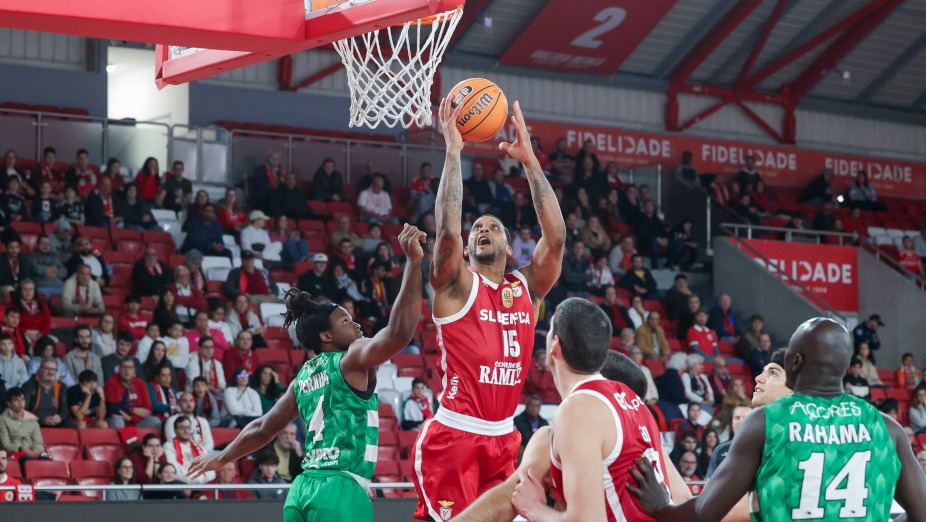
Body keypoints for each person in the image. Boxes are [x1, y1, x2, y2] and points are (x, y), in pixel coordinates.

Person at [186, 223, 426, 522]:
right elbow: (400, 333)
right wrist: (413, 262)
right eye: (345, 321)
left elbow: (263, 428)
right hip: (339, 488)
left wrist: (221, 457)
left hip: (301, 490)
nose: (355, 324)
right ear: (326, 336)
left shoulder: (303, 378)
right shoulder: (353, 356)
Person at [627, 317, 926, 522]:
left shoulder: (766, 422)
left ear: (794, 362)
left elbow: (703, 513)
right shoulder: (888, 428)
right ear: (845, 366)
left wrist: (661, 507)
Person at [507, 298, 671, 521]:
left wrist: (533, 508)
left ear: (554, 344)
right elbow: (681, 496)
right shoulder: (632, 399)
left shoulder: (578, 409)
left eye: (550, 330)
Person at [104, 358, 162, 429]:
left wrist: (131, 418)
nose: (127, 370)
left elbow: (148, 410)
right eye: (124, 367)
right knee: (118, 421)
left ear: (134, 370)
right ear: (119, 369)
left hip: (136, 421)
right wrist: (134, 410)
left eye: (130, 367)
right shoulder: (111, 382)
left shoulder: (141, 383)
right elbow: (111, 408)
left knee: (155, 421)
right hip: (118, 419)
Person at [163, 416, 215, 485]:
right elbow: (175, 471)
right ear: (175, 431)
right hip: (183, 485)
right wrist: (198, 481)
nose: (186, 430)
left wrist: (205, 481)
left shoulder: (199, 446)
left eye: (188, 427)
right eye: (182, 428)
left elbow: (210, 467)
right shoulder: (169, 446)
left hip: (204, 484)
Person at [21, 358, 71, 427]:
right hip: (35, 422)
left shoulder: (61, 387)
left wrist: (60, 417)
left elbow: (65, 409)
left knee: (69, 424)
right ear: (40, 370)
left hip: (56, 421)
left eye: (54, 370)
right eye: (47, 369)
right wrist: (41, 420)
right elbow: (23, 410)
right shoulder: (29, 386)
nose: (51, 372)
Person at [0, 387, 45, 458]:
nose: (20, 403)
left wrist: (36, 449)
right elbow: (5, 444)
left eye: (22, 399)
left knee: (46, 460)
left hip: (33, 453)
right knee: (26, 459)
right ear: (9, 403)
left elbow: (38, 441)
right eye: (16, 400)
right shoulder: (3, 419)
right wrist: (21, 449)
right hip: (14, 454)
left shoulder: (32, 419)